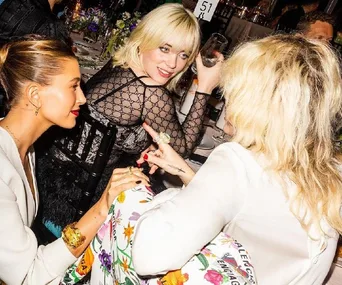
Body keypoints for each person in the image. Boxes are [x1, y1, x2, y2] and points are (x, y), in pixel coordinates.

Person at [130, 35, 342, 284]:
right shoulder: (332, 170)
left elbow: (149, 256)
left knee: (126, 198)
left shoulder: (239, 163)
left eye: (234, 87)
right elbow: (255, 212)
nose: (226, 96)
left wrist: (166, 197)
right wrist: (188, 174)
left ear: (257, 100)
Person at [35, 3, 223, 236]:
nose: (173, 64)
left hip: (49, 174)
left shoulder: (119, 64)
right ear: (146, 39)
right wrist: (204, 87)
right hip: (80, 200)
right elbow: (182, 151)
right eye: (165, 49)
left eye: (183, 55)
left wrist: (149, 144)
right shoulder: (151, 92)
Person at [0, 36, 149, 285]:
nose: (82, 98)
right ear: (35, 95)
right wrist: (101, 207)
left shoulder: (24, 147)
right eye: (73, 86)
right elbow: (29, 277)